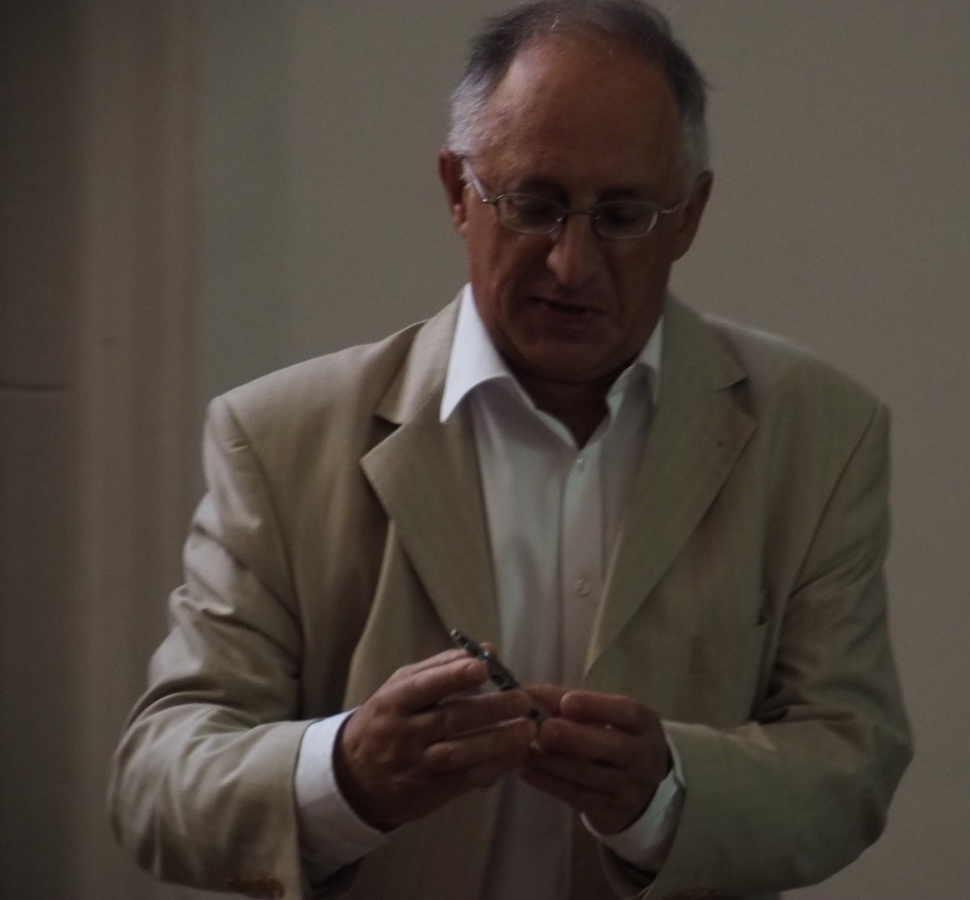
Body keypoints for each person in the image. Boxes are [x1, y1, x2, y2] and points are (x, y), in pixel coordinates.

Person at [108, 2, 911, 898]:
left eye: (623, 216)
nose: (572, 263)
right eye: (534, 205)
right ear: (458, 191)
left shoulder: (818, 433)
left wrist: (667, 795)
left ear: (689, 216)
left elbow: (850, 761)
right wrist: (345, 775)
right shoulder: (278, 438)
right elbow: (156, 784)